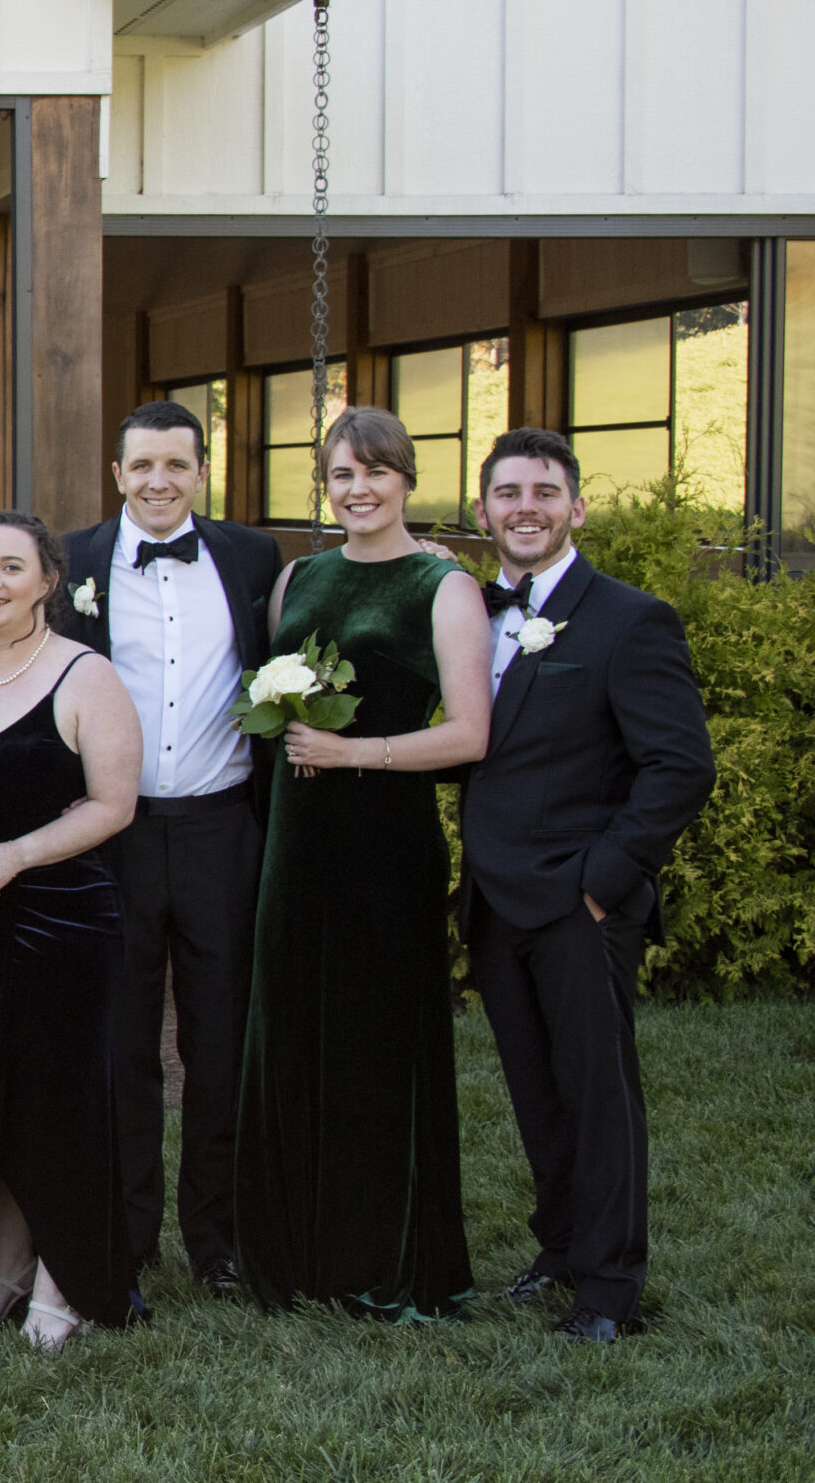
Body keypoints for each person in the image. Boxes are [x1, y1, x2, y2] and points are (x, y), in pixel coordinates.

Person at [233, 405, 492, 1320]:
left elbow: (469, 732)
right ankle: (291, 1248)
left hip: (384, 839)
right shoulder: (299, 575)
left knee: (378, 1042)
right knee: (291, 1029)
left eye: (376, 472)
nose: (359, 490)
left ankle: (381, 1257)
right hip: (296, 843)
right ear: (325, 482)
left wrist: (357, 754)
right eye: (342, 475)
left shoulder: (443, 585)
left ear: (406, 478)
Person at [462, 428, 713, 1343]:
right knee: (537, 1092)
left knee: (599, 1096)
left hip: (579, 902)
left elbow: (680, 768)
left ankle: (608, 1290)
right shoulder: (476, 614)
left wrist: (603, 883)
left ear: (576, 506)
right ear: (483, 509)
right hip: (493, 901)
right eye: (508, 493)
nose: (525, 507)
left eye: (544, 491)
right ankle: (560, 1248)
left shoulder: (629, 618)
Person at [59, 401, 281, 1296]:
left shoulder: (252, 558)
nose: (158, 482)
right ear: (116, 474)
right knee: (120, 1044)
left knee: (221, 1040)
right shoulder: (71, 560)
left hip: (221, 828)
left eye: (176, 466)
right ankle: (127, 1230)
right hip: (109, 832)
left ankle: (218, 1240)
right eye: (141, 466)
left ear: (200, 473)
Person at [0, 510, 143, 1350]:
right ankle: (6, 1268)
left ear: (49, 580)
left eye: (11, 568)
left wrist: (15, 856)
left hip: (62, 921)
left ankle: (66, 1280)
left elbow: (114, 807)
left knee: (57, 1108)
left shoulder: (88, 677)